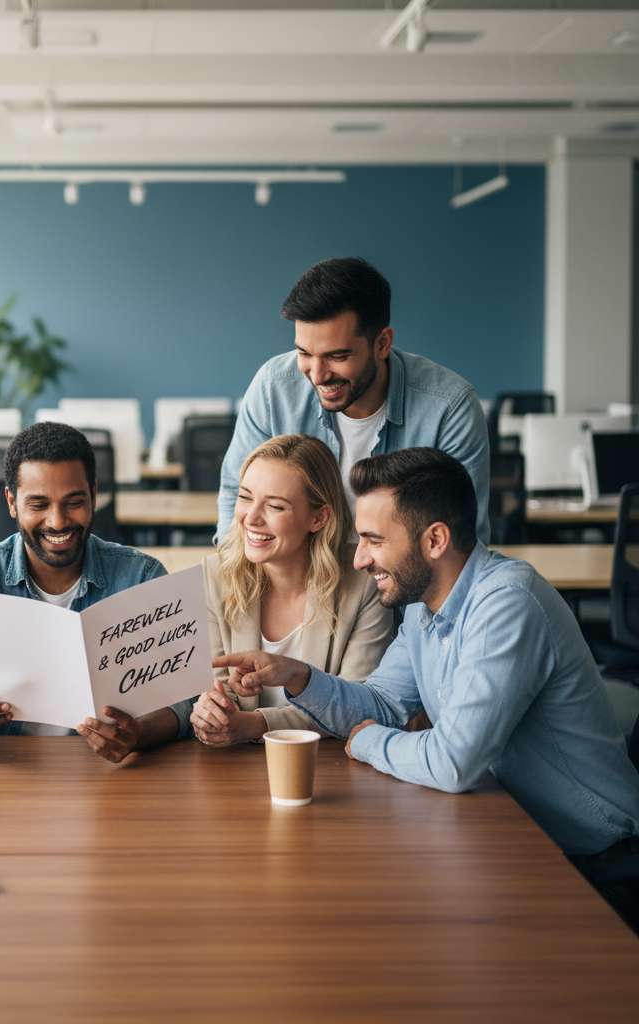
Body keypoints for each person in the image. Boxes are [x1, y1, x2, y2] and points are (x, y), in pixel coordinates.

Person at [215, 447, 639, 926]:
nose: (359, 559)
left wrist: (369, 741)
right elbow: (381, 703)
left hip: (594, 867)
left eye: (374, 540)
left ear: (435, 539)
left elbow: (453, 762)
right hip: (513, 839)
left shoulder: (506, 604)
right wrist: (298, 676)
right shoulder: (424, 606)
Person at [0, 421, 192, 763]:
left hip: (108, 774)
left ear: (94, 495)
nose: (57, 522)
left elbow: (183, 700)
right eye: (38, 505)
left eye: (73, 502)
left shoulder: (141, 577)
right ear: (12, 502)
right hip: (1, 770)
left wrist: (138, 733)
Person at [217, 256, 490, 545]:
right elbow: (237, 495)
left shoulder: (449, 407)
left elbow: (459, 545)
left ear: (382, 344)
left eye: (337, 356)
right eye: (304, 353)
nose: (318, 375)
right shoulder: (273, 388)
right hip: (296, 571)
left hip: (400, 575)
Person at [190, 434, 391, 745]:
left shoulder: (364, 581)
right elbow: (221, 689)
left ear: (318, 518)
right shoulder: (214, 574)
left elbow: (357, 707)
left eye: (275, 506)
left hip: (328, 762)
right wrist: (212, 712)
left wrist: (252, 725)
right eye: (245, 497)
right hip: (235, 764)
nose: (251, 518)